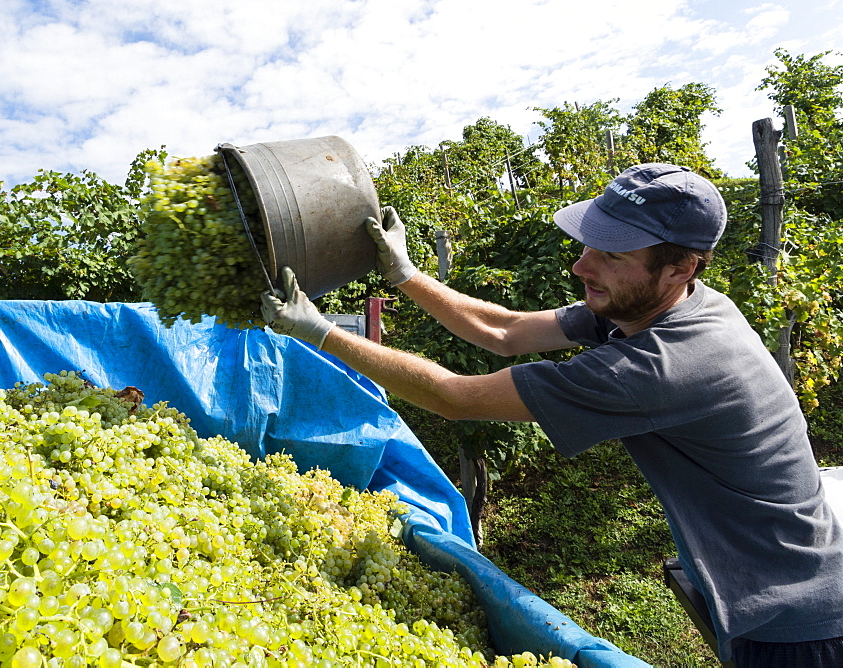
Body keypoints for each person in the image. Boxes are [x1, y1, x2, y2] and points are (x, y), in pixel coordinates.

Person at [260, 162, 843, 667]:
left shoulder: (660, 366)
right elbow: (506, 331)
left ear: (680, 268)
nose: (581, 266)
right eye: (589, 243)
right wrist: (406, 275)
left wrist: (322, 332)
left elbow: (457, 398)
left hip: (795, 617)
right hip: (763, 584)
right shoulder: (657, 305)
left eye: (611, 253)